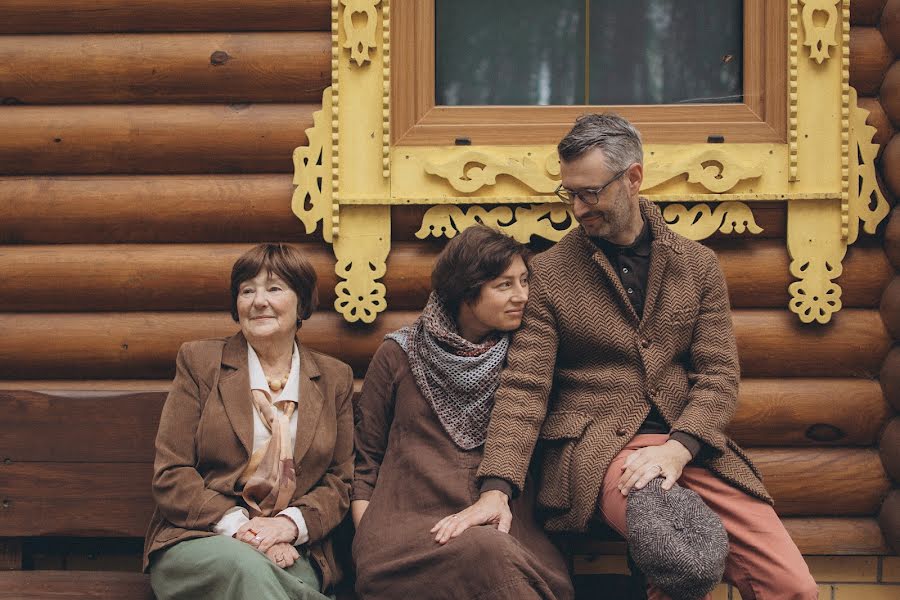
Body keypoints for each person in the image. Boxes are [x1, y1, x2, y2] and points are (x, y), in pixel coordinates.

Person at [433, 114, 819, 599]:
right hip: (600, 451)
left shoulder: (697, 265)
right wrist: (497, 487)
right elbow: (525, 389)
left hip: (690, 447)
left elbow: (719, 376)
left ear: (633, 178)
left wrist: (678, 449)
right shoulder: (550, 274)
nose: (577, 206)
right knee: (675, 558)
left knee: (793, 586)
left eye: (589, 193)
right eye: (568, 193)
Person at [351, 226, 574, 600]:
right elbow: (366, 458)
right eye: (504, 285)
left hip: (506, 529)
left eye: (524, 281)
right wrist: (368, 535)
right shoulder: (398, 353)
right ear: (465, 291)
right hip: (406, 538)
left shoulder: (529, 360)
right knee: (487, 554)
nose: (522, 295)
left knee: (491, 552)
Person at [144, 243, 354, 600]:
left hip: (295, 547)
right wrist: (246, 530)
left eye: (274, 288)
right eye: (247, 290)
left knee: (275, 581)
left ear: (301, 302)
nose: (259, 301)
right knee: (248, 570)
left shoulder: (335, 377)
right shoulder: (200, 362)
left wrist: (287, 526)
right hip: (201, 537)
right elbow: (171, 473)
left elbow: (340, 480)